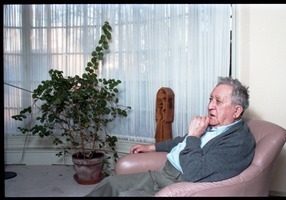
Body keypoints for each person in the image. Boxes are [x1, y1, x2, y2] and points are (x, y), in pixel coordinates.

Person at [86, 76, 256, 196]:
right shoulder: (215, 125)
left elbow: (194, 173)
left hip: (178, 185)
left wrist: (194, 137)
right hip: (162, 173)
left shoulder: (238, 142)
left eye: (218, 101)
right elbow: (183, 140)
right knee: (109, 184)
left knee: (124, 195)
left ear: (236, 111)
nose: (210, 105)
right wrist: (151, 147)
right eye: (210, 99)